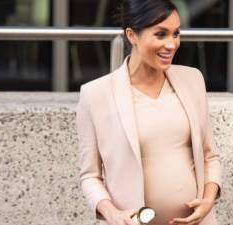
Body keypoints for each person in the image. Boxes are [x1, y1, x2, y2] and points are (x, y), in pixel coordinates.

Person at [76, 0, 222, 224]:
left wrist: (208, 201)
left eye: (176, 34)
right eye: (161, 34)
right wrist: (113, 215)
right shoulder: (95, 95)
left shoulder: (193, 80)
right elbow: (90, 176)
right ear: (132, 35)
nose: (172, 44)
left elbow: (210, 156)